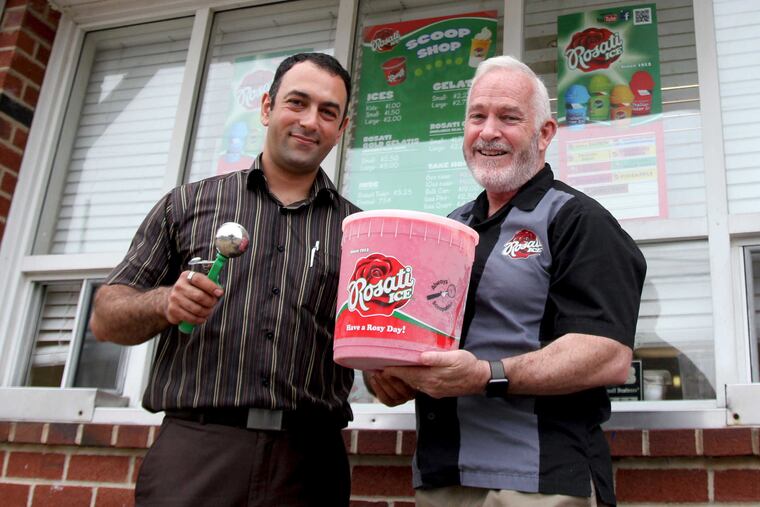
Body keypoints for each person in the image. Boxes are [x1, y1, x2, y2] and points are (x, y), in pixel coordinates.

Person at [366, 55, 646, 506]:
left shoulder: (579, 220)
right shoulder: (450, 227)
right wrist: (391, 374)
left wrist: (484, 375)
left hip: (538, 483)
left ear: (545, 133)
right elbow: (423, 339)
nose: (488, 131)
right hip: (442, 478)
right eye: (477, 117)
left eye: (509, 118)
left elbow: (607, 355)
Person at [90, 52, 359, 507]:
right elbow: (105, 318)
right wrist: (165, 303)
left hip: (311, 462)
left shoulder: (359, 232)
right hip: (197, 453)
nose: (310, 121)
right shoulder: (186, 205)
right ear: (267, 108)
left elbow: (375, 335)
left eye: (328, 112)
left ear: (342, 128)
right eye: (297, 103)